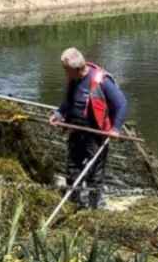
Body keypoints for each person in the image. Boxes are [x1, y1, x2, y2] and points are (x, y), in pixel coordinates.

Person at [49, 48, 127, 209]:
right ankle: (74, 203)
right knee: (72, 168)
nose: (65, 73)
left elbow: (122, 104)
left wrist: (116, 129)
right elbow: (68, 102)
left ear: (77, 69)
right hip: (76, 129)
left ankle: (94, 206)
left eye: (66, 70)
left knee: (95, 172)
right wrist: (59, 113)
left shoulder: (102, 81)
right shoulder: (73, 79)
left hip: (96, 133)